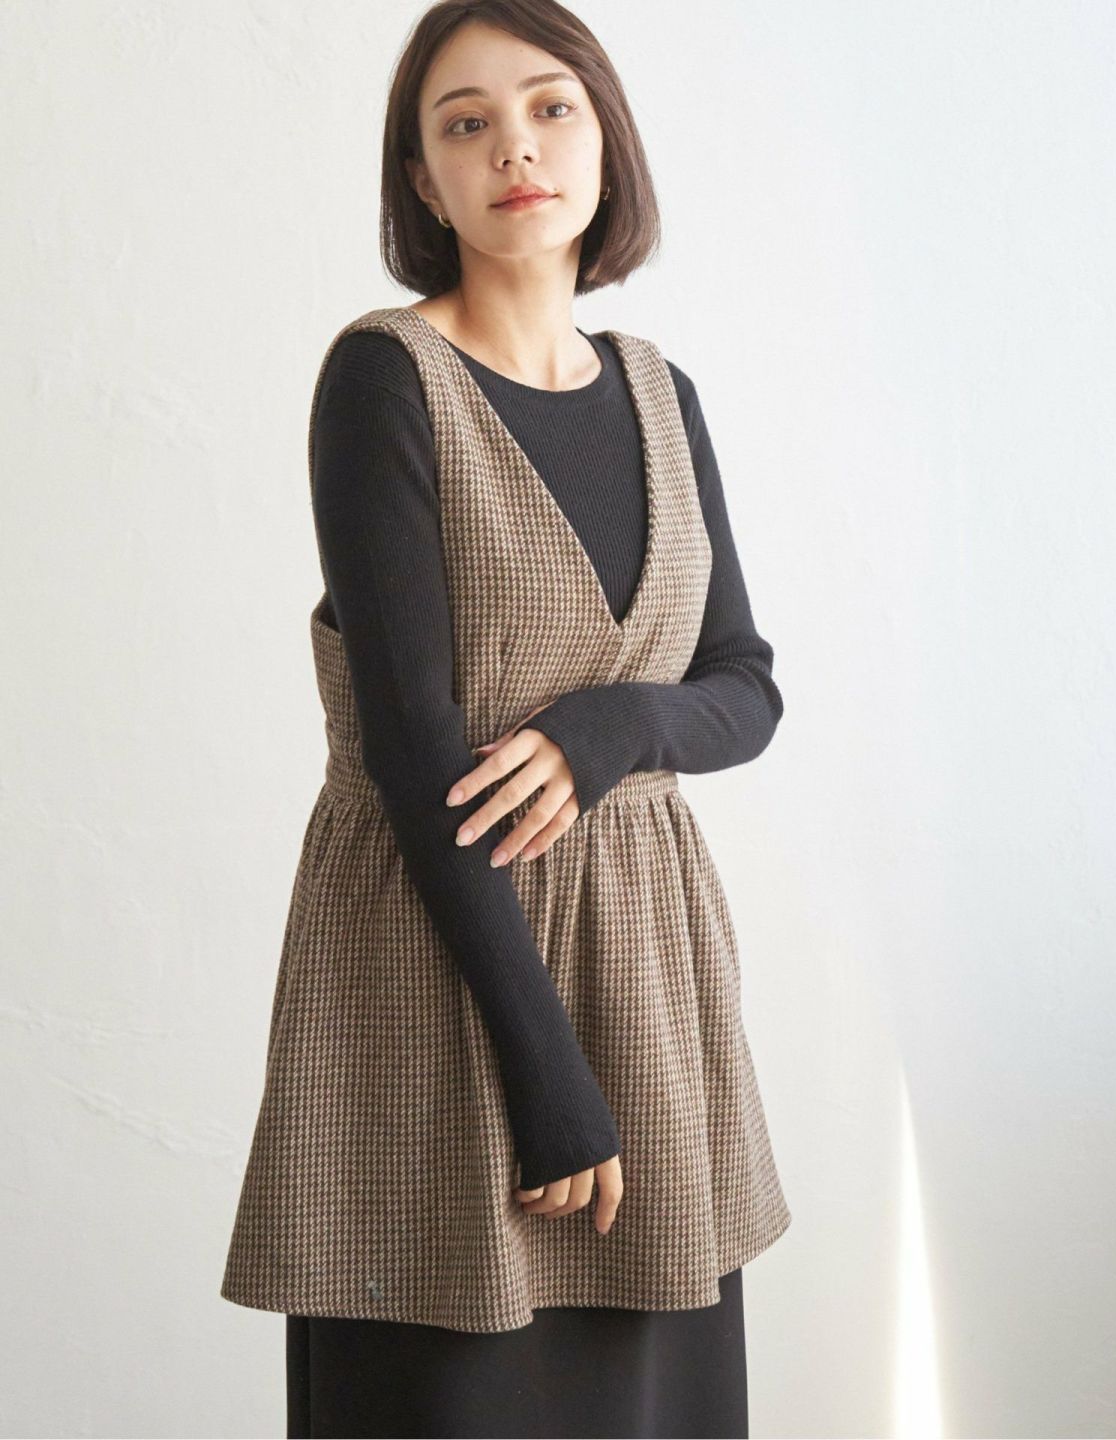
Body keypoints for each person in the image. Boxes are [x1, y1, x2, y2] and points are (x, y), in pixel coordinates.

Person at [220, 1, 792, 1435]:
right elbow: (414, 748)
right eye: (464, 124)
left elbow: (744, 687)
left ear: (606, 140)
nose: (514, 149)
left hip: (648, 978)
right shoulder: (382, 379)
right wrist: (549, 1081)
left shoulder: (665, 395)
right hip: (440, 965)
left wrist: (611, 730)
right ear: (424, 183)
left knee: (651, 1402)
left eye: (549, 109)